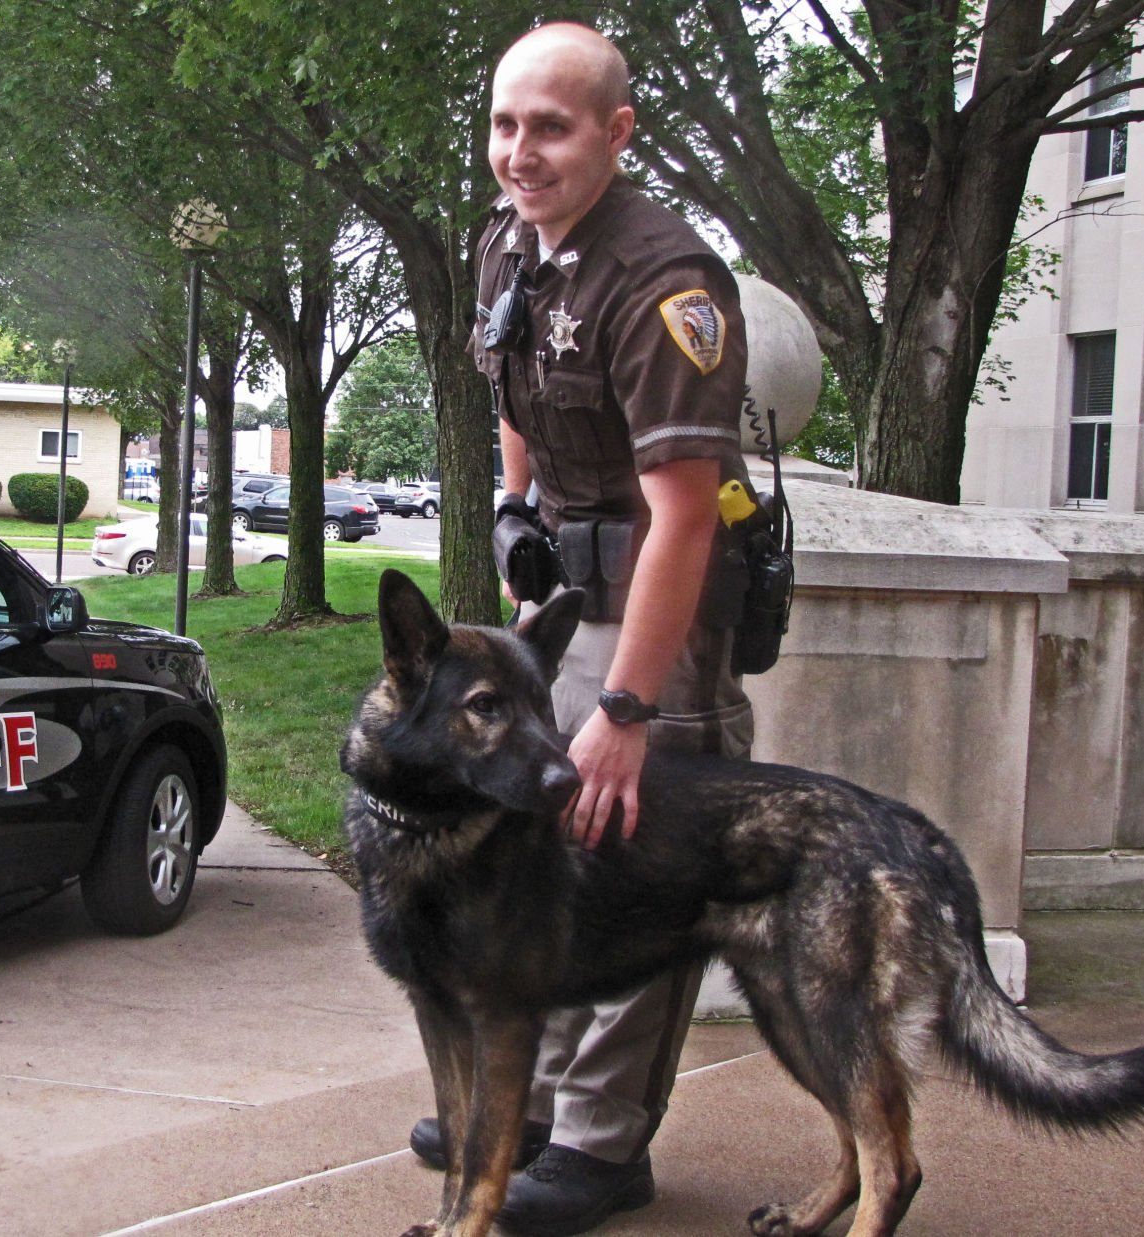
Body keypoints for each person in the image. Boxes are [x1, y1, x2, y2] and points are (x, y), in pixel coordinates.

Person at [408, 22, 755, 1236]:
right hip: (562, 602)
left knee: (636, 863)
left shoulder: (665, 282)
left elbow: (688, 522)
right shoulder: (514, 240)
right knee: (544, 851)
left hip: (658, 613)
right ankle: (532, 1107)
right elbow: (511, 376)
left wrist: (625, 710)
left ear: (615, 131)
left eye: (550, 127)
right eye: (505, 124)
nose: (521, 151)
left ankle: (604, 1148)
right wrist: (514, 515)